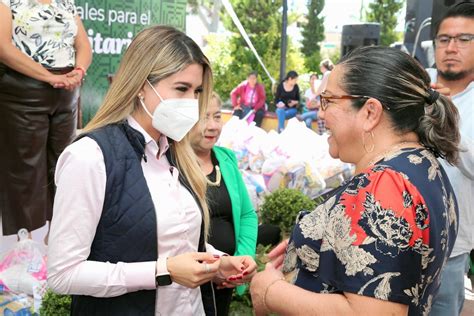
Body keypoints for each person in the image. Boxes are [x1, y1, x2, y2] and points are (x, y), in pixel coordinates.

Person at [47, 25, 257, 315]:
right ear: (141, 86)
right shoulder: (90, 157)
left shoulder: (178, 154)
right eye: (181, 89)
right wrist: (162, 272)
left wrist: (218, 262)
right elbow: (63, 274)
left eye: (197, 92)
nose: (191, 103)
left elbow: (174, 242)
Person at [250, 46, 460, 316]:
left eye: (328, 100)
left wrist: (271, 292)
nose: (321, 114)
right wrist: (314, 241)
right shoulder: (422, 164)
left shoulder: (385, 184)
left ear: (370, 112)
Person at [0, 0, 92, 237]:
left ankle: (59, 234)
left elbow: (83, 45)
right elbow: (3, 47)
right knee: (24, 165)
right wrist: (47, 77)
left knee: (64, 163)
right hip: (24, 91)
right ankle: (25, 240)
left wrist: (79, 71)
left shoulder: (66, 2)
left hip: (66, 92)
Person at [189, 92, 258, 315]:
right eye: (203, 117)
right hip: (189, 280)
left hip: (225, 280)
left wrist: (240, 262)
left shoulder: (226, 159)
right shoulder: (172, 161)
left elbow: (247, 214)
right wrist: (214, 267)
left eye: (217, 117)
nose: (212, 126)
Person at [427, 3, 474, 315]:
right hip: (396, 235)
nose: (451, 48)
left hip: (450, 249)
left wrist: (446, 116)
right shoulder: (416, 84)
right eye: (444, 39)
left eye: (464, 39)